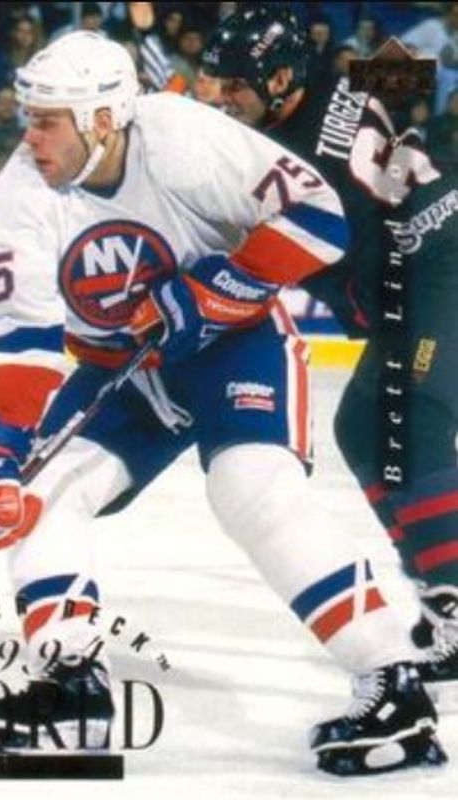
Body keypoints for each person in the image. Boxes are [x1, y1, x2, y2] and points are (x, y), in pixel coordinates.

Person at [0, 30, 447, 775]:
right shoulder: (14, 203)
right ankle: (71, 684)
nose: (31, 138)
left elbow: (317, 218)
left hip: (233, 344)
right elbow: (22, 346)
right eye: (30, 117)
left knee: (250, 490)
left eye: (48, 121)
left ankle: (393, 682)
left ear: (103, 120)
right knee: (38, 491)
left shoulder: (180, 136)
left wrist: (214, 290)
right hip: (123, 367)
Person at [202, 2, 457, 703]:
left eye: (236, 83)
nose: (223, 97)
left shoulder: (290, 159)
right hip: (427, 258)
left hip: (439, 267)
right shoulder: (340, 76)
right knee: (361, 427)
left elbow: (289, 253)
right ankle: (440, 591)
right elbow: (420, 70)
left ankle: (454, 596)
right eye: (219, 81)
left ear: (282, 77)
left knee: (412, 418)